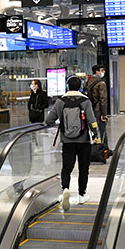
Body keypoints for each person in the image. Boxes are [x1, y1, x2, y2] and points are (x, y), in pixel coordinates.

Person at [46, 76, 100, 210]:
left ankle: (65, 189)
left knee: (67, 167)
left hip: (67, 141)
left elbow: (49, 120)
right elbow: (92, 120)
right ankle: (82, 195)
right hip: (84, 141)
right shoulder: (85, 101)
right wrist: (96, 136)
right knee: (83, 168)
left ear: (67, 86)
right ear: (80, 87)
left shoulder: (60, 101)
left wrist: (61, 125)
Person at [85, 64, 111, 161]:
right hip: (98, 110)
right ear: (97, 71)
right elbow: (103, 99)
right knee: (102, 130)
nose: (103, 72)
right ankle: (104, 150)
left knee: (92, 131)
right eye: (101, 70)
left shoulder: (88, 82)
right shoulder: (101, 83)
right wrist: (104, 114)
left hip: (90, 109)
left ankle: (92, 150)